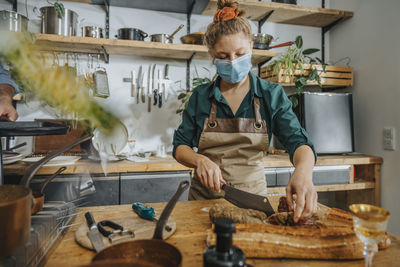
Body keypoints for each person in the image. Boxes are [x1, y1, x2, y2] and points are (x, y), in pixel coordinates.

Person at [173, 0, 317, 223]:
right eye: (223, 56)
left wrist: (304, 172)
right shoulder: (201, 96)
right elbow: (180, 147)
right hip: (203, 203)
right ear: (211, 54)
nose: (232, 62)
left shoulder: (271, 95)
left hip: (253, 201)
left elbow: (299, 143)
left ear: (251, 47)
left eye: (240, 53)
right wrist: (200, 161)